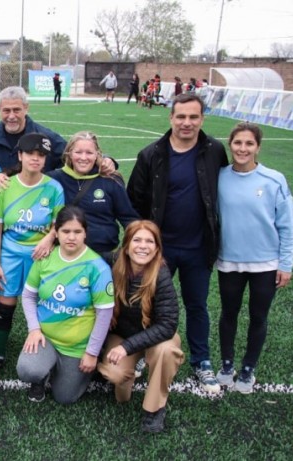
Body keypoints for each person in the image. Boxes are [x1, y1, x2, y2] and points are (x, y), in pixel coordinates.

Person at [127, 92, 229, 394]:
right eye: (181, 116)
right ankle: (145, 353)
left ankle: (201, 361)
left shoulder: (214, 151)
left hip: (199, 247)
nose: (187, 123)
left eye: (193, 117)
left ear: (202, 118)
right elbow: (135, 200)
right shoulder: (151, 154)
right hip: (161, 251)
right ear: (171, 117)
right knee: (148, 304)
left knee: (196, 305)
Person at [215, 122, 293, 394]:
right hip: (230, 262)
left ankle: (248, 368)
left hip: (265, 264)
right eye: (238, 143)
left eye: (249, 144)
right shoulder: (220, 177)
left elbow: (287, 225)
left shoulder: (274, 179)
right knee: (229, 314)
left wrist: (285, 264)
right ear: (230, 144)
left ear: (258, 147)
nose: (242, 148)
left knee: (258, 317)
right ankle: (227, 365)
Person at [16, 206, 114, 404]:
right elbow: (27, 296)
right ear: (56, 233)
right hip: (46, 338)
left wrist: (92, 352)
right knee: (27, 370)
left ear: (85, 233)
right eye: (66, 231)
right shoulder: (45, 258)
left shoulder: (97, 268)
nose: (71, 237)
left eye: (77, 232)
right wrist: (34, 329)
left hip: (78, 346)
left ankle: (78, 369)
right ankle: (41, 376)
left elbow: (104, 314)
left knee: (65, 397)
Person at [0, 133, 65, 372]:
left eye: (41, 155)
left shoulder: (53, 188)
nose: (36, 159)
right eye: (31, 154)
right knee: (5, 301)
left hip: (40, 255)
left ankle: (42, 350)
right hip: (10, 253)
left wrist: (50, 239)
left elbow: (58, 222)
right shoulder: (6, 185)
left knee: (42, 302)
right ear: (20, 155)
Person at [98, 220, 184, 433]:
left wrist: (126, 347)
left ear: (156, 249)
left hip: (155, 337)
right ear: (126, 246)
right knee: (117, 382)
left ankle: (154, 410)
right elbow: (81, 258)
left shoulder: (161, 275)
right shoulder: (111, 262)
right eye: (137, 240)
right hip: (122, 334)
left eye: (149, 241)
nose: (143, 246)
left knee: (166, 350)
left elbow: (167, 324)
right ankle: (130, 372)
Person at [49, 131, 139, 263]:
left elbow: (129, 218)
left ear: (97, 154)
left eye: (89, 153)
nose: (83, 157)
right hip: (64, 256)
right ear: (69, 153)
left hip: (103, 256)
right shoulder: (53, 179)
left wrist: (133, 245)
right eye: (78, 152)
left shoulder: (110, 180)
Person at [0, 86, 67, 175]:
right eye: (6, 111)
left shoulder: (47, 139)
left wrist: (47, 181)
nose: (11, 116)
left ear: (26, 108)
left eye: (16, 110)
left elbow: (70, 163)